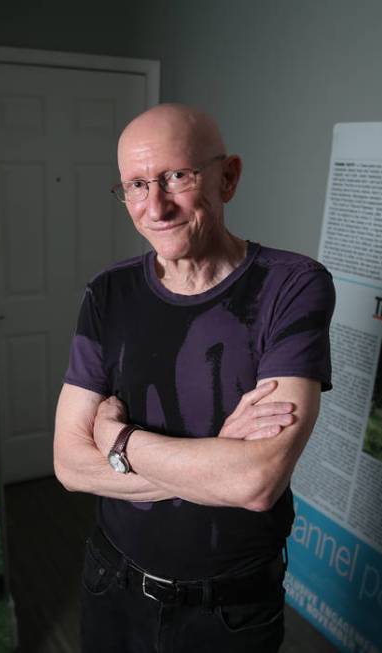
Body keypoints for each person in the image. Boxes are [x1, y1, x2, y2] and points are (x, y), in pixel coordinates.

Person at [53, 103, 335, 652]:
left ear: (228, 177)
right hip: (113, 584)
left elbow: (255, 483)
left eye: (176, 176)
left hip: (228, 610)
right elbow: (67, 464)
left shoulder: (292, 286)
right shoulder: (107, 295)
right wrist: (218, 458)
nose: (154, 206)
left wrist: (119, 441)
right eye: (136, 185)